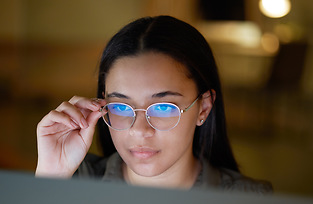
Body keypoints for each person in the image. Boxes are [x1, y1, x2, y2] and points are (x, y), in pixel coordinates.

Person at [36, 15, 272, 193]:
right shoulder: (72, 185)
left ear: (204, 107)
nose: (139, 130)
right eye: (120, 107)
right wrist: (50, 177)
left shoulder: (249, 203)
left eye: (163, 107)